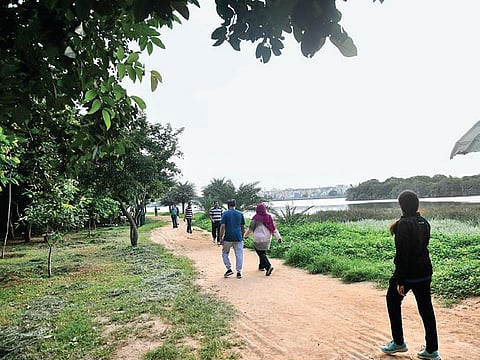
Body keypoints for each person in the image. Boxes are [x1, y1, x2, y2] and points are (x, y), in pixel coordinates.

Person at [380, 190, 441, 360]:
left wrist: (400, 280)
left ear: (401, 206)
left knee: (392, 301)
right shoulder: (424, 222)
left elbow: (402, 255)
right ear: (416, 205)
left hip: (409, 275)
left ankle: (398, 343)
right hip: (425, 273)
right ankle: (431, 350)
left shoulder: (402, 225)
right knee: (426, 309)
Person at [244, 203, 282, 276]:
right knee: (263, 252)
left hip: (258, 238)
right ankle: (261, 266)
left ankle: (268, 266)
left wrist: (245, 235)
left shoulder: (255, 217)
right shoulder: (268, 217)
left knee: (261, 253)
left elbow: (250, 229)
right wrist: (278, 237)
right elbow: (273, 228)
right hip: (267, 238)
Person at [219, 199, 245, 279]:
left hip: (228, 236)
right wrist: (242, 235)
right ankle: (239, 271)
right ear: (235, 205)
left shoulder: (225, 214)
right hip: (238, 236)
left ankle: (229, 268)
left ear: (228, 205)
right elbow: (242, 227)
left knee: (225, 253)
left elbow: (223, 226)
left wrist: (220, 237)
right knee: (239, 254)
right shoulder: (240, 214)